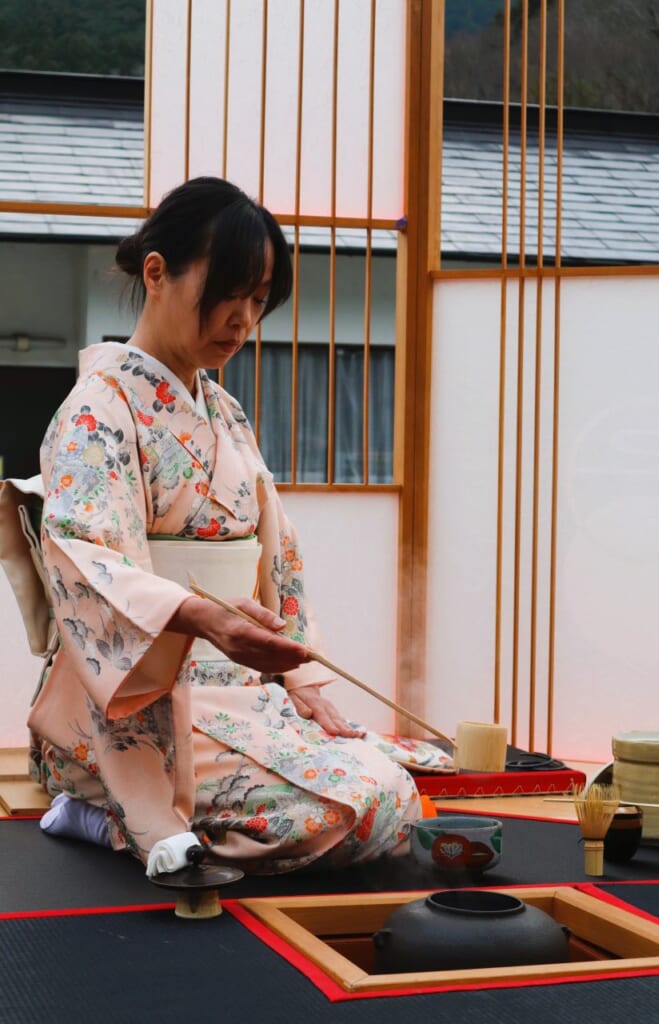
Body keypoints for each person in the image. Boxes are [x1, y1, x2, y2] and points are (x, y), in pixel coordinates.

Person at [28, 177, 422, 876]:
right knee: (353, 808)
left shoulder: (225, 413)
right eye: (228, 293)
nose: (243, 320)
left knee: (398, 793)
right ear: (158, 272)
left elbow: (277, 546)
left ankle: (114, 822)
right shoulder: (96, 413)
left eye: (258, 300)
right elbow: (92, 565)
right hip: (135, 703)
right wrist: (202, 617)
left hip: (238, 685)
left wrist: (301, 678)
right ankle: (103, 812)